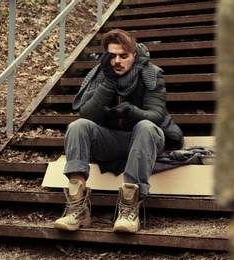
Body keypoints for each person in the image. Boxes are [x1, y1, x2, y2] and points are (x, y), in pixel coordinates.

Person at [53, 29, 184, 233]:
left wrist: (132, 111)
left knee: (146, 126)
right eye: (112, 56)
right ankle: (77, 209)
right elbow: (87, 115)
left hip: (146, 140)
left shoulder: (151, 74)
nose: (117, 61)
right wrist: (108, 82)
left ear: (134, 55)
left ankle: (128, 211)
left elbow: (156, 116)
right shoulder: (101, 75)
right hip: (112, 141)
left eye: (123, 56)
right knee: (77, 127)